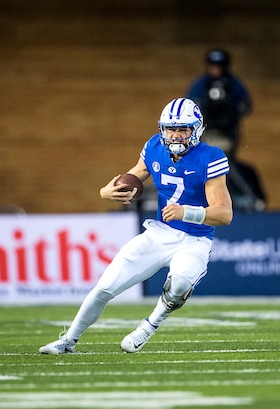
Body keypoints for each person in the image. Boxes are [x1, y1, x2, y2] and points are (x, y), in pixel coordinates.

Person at [39, 97, 233, 354]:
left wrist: (187, 212)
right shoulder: (154, 146)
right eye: (170, 129)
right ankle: (68, 341)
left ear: (196, 130)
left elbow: (224, 214)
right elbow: (136, 174)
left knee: (178, 286)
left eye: (182, 129)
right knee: (105, 286)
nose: (175, 136)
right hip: (159, 234)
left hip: (194, 241)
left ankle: (147, 328)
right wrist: (106, 191)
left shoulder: (210, 157)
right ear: (162, 129)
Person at [185, 49, 252, 153]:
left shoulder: (233, 84)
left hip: (227, 134)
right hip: (205, 133)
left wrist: (232, 110)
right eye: (213, 66)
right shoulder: (201, 84)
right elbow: (188, 106)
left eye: (220, 66)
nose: (216, 69)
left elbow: (246, 106)